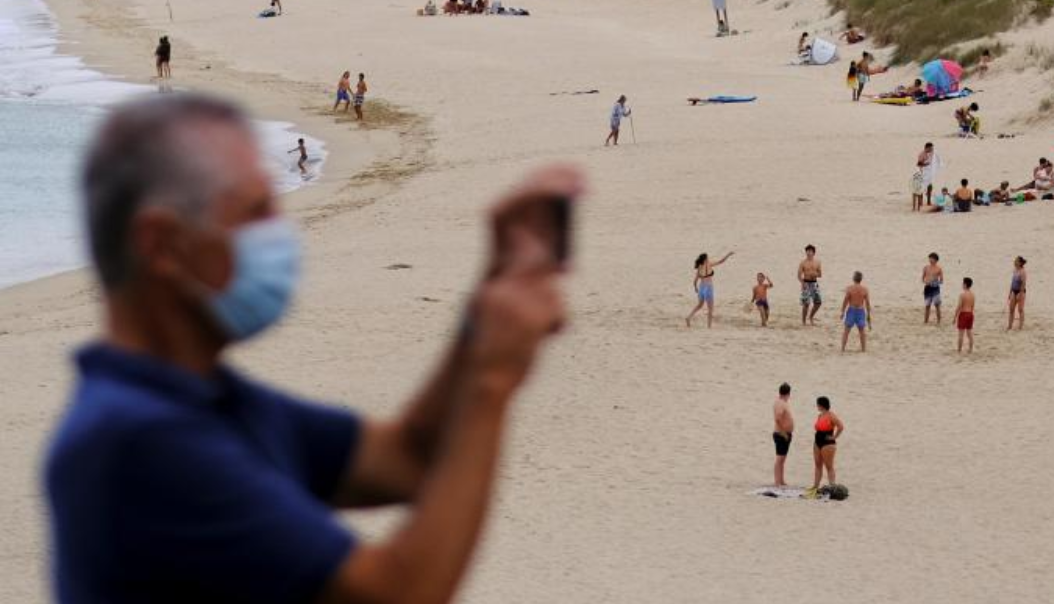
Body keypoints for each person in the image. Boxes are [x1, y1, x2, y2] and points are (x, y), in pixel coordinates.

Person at [44, 93, 582, 604]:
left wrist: (484, 308)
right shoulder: (136, 441)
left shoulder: (209, 401)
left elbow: (412, 457)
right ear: (161, 244)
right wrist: (491, 380)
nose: (281, 235)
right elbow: (396, 593)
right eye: (256, 213)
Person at [807, 396, 844, 496]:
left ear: (821, 405)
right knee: (818, 465)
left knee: (829, 466)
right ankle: (815, 486)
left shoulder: (831, 415)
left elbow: (841, 426)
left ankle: (832, 486)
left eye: (817, 404)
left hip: (828, 443)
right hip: (817, 441)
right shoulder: (819, 416)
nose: (817, 406)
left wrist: (834, 437)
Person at [686, 252, 733, 328]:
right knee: (710, 309)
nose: (708, 259)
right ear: (705, 259)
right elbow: (721, 261)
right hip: (708, 287)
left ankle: (689, 317)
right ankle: (709, 327)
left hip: (701, 287)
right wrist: (728, 255)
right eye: (707, 258)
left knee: (699, 305)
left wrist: (696, 288)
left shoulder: (699, 267)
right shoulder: (709, 264)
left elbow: (695, 280)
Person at [839, 271, 871, 353]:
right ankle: (863, 349)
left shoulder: (850, 288)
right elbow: (867, 303)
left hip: (852, 310)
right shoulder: (865, 289)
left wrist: (842, 311)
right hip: (860, 311)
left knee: (846, 330)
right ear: (861, 279)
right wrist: (868, 314)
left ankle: (843, 348)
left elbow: (845, 301)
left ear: (853, 279)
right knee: (861, 331)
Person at [772, 383, 795, 487]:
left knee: (782, 459)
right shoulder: (780, 403)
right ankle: (777, 481)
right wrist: (783, 433)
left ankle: (781, 480)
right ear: (788, 393)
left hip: (785, 434)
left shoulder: (782, 402)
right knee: (779, 459)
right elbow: (777, 419)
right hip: (781, 434)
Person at [798, 244, 822, 325]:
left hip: (814, 283)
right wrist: (802, 283)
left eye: (810, 251)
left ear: (813, 253)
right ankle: (804, 321)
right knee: (806, 303)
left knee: (818, 302)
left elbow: (820, 274)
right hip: (806, 283)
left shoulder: (817, 262)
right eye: (807, 251)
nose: (809, 253)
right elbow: (799, 275)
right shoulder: (803, 263)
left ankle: (811, 317)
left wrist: (815, 274)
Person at [955, 277, 975, 353]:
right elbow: (973, 306)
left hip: (964, 314)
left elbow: (959, 306)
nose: (962, 285)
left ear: (965, 285)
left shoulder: (962, 295)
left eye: (963, 283)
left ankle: (959, 350)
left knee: (961, 334)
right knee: (969, 333)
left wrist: (955, 316)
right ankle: (970, 349)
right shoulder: (973, 295)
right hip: (970, 314)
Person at [923, 253, 944, 325]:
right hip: (927, 288)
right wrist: (925, 281)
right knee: (927, 305)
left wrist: (935, 281)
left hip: (935, 288)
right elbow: (923, 278)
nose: (930, 260)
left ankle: (939, 321)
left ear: (936, 260)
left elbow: (941, 280)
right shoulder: (926, 267)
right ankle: (925, 321)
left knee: (937, 305)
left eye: (932, 258)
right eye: (929, 258)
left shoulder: (939, 268)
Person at [1007, 256, 1027, 331]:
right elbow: (1012, 282)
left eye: (1016, 261)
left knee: (1020, 309)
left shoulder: (1023, 272)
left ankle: (1020, 327)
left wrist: (1020, 294)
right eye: (1014, 260)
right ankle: (1009, 326)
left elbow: (1023, 283)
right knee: (1011, 309)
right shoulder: (1015, 270)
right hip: (1014, 291)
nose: (1014, 262)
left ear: (1020, 263)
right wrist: (1009, 293)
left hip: (1020, 292)